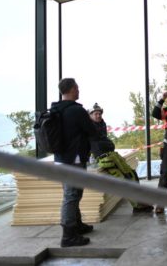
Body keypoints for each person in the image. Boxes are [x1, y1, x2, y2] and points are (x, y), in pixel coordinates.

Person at [52, 78, 98, 247]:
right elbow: (91, 131)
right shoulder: (77, 110)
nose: (79, 91)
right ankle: (68, 235)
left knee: (72, 193)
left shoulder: (56, 108)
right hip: (74, 159)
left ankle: (77, 225)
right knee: (71, 195)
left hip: (60, 158)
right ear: (71, 90)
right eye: (77, 88)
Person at [87, 103, 153, 213]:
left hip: (112, 155)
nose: (98, 116)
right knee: (123, 180)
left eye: (99, 113)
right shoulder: (88, 128)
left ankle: (140, 200)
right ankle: (137, 205)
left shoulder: (101, 125)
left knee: (132, 174)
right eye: (95, 114)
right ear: (89, 116)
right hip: (104, 159)